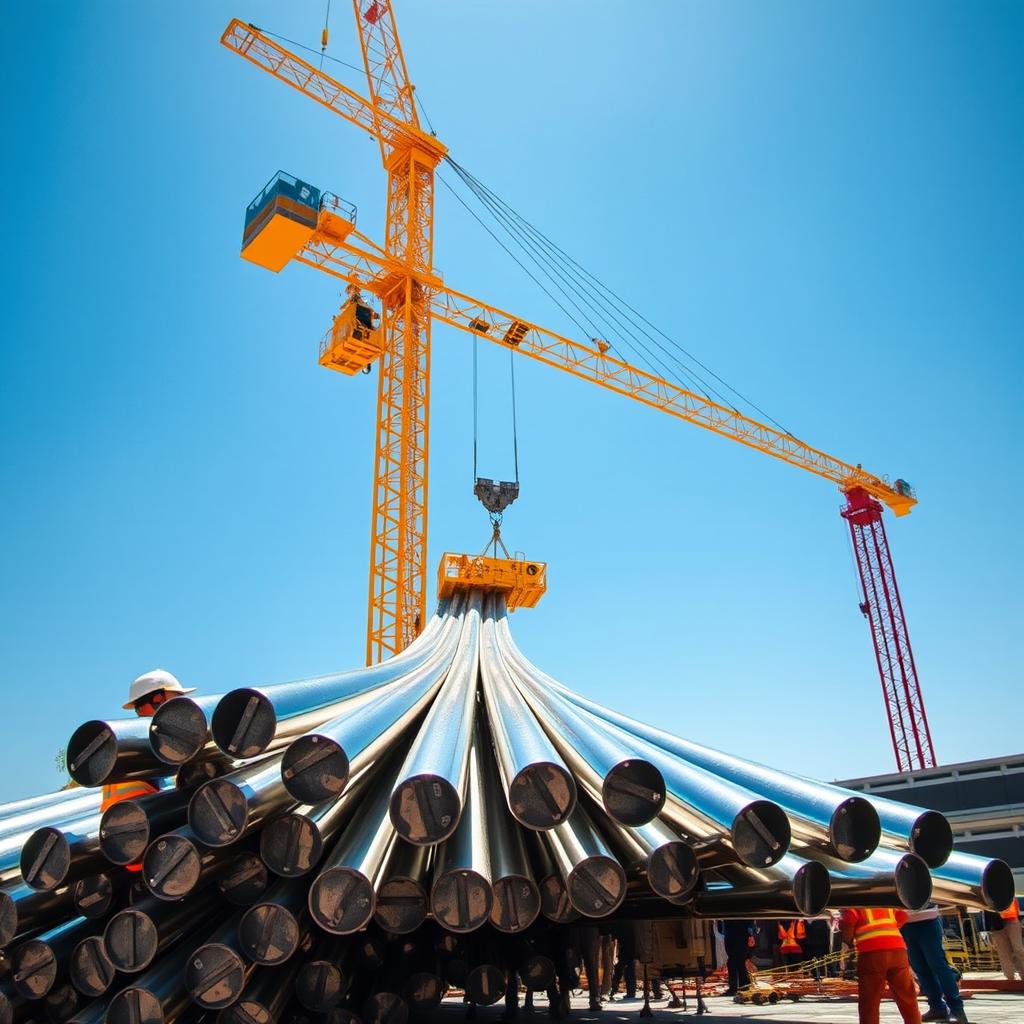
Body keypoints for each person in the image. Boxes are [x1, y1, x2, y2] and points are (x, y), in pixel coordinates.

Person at [100, 670, 197, 869]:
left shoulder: (129, 747)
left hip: (138, 858)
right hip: (163, 858)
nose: (182, 707)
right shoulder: (154, 748)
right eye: (176, 699)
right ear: (158, 699)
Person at [840, 907, 921, 1024]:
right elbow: (902, 916)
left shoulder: (855, 902)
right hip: (898, 950)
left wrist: (848, 944)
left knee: (870, 1000)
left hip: (871, 953)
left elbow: (848, 924)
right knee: (907, 996)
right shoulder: (886, 900)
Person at [900, 904, 966, 1023]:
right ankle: (937, 1007)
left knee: (938, 965)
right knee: (920, 967)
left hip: (927, 920)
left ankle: (957, 1010)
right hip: (906, 923)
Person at [985, 897, 1024, 982]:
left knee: (1018, 949)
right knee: (1004, 952)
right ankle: (1010, 978)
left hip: (1012, 919)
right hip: (996, 923)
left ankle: (1021, 975)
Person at [718, 920, 755, 995]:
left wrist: (751, 934)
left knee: (737, 961)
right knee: (735, 961)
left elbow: (750, 921)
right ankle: (742, 986)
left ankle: (741, 986)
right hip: (733, 933)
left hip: (737, 933)